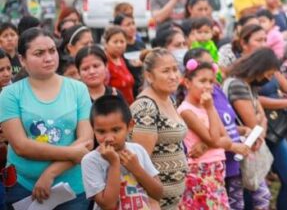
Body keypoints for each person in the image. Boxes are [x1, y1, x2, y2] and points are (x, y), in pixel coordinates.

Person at [0, 28, 93, 209]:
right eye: (39, 53)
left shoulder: (78, 89)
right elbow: (20, 146)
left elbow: (86, 140)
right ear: (22, 59)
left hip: (72, 187)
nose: (49, 58)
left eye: (52, 50)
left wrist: (50, 172)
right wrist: (73, 153)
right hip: (24, 186)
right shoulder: (10, 95)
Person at [225, 49, 287, 210]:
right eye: (268, 74)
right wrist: (259, 124)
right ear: (259, 69)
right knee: (243, 200)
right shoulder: (237, 86)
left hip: (248, 147)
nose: (268, 79)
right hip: (239, 149)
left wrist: (260, 123)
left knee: (252, 198)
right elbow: (254, 123)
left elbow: (262, 118)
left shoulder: (249, 86)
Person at [177, 59, 241, 209]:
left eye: (211, 82)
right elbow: (215, 139)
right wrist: (211, 108)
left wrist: (207, 144)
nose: (208, 86)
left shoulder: (206, 107)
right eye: (202, 81)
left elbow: (225, 138)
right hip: (200, 171)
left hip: (216, 168)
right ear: (187, 83)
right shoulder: (186, 111)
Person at [81, 95, 164, 210]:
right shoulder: (90, 161)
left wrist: (136, 169)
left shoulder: (138, 150)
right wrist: (114, 164)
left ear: (130, 126)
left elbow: (158, 193)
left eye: (116, 130)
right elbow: (108, 205)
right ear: (93, 129)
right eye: (101, 131)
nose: (109, 138)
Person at [130, 49, 188, 210]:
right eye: (166, 71)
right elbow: (140, 163)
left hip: (172, 203)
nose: (173, 76)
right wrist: (152, 201)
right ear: (149, 76)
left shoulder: (169, 100)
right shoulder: (146, 107)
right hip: (153, 203)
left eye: (175, 69)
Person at [103, 27, 136, 104]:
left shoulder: (121, 59)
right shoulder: (104, 63)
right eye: (115, 42)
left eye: (122, 41)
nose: (119, 45)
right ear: (106, 43)